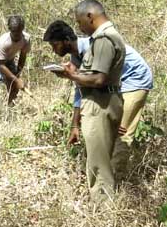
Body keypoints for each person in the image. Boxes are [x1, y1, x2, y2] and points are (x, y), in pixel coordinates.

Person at [43, 19, 153, 178]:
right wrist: (75, 125)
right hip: (116, 83)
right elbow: (80, 90)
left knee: (122, 133)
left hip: (135, 80)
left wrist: (71, 75)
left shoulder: (95, 47)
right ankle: (106, 179)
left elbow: (97, 81)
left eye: (55, 45)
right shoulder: (76, 56)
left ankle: (116, 181)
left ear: (66, 41)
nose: (53, 50)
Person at [49, 0, 126, 205]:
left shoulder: (103, 39)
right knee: (102, 160)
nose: (79, 27)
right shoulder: (107, 37)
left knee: (98, 165)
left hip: (100, 104)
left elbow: (98, 79)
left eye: (80, 21)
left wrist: (70, 76)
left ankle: (104, 211)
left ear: (90, 16)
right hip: (107, 100)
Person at [0, 15, 31, 111]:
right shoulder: (4, 42)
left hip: (9, 59)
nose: (17, 35)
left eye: (19, 31)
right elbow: (1, 65)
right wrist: (17, 80)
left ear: (22, 28)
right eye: (14, 32)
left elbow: (23, 56)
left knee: (14, 87)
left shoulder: (26, 39)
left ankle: (9, 107)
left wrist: (18, 75)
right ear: (9, 29)